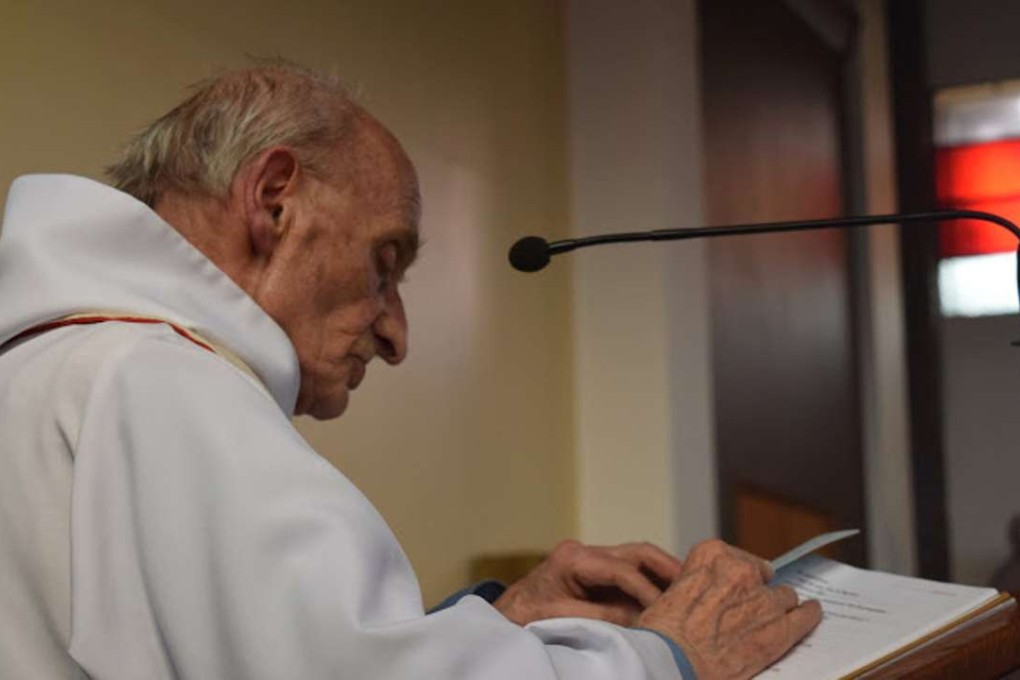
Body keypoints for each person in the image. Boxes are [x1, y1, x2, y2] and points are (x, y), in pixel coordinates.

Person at [0, 63, 820, 679]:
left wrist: (505, 620)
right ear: (274, 200)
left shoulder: (59, 365)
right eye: (383, 265)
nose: (396, 335)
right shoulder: (159, 381)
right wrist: (662, 657)